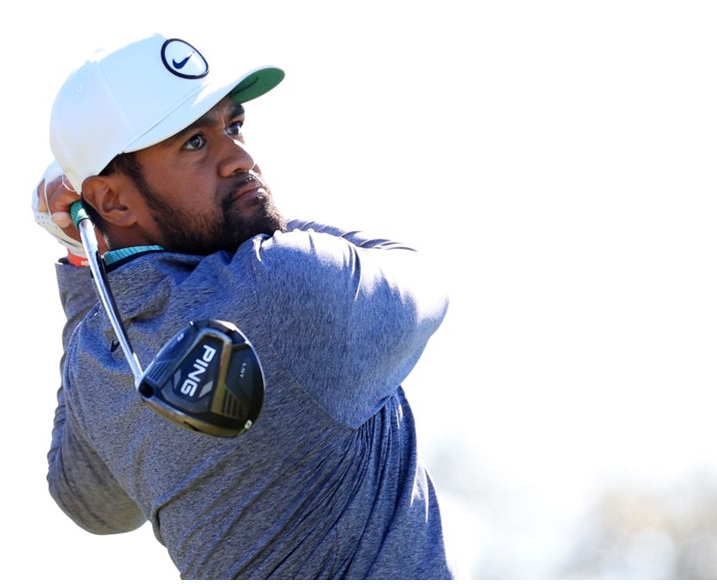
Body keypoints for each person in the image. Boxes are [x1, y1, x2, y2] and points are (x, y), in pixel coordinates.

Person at [32, 32, 457, 579]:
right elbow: (425, 278)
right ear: (113, 198)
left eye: (232, 127)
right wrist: (259, 232)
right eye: (194, 144)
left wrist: (83, 255)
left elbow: (91, 506)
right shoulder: (285, 281)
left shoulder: (98, 356)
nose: (241, 159)